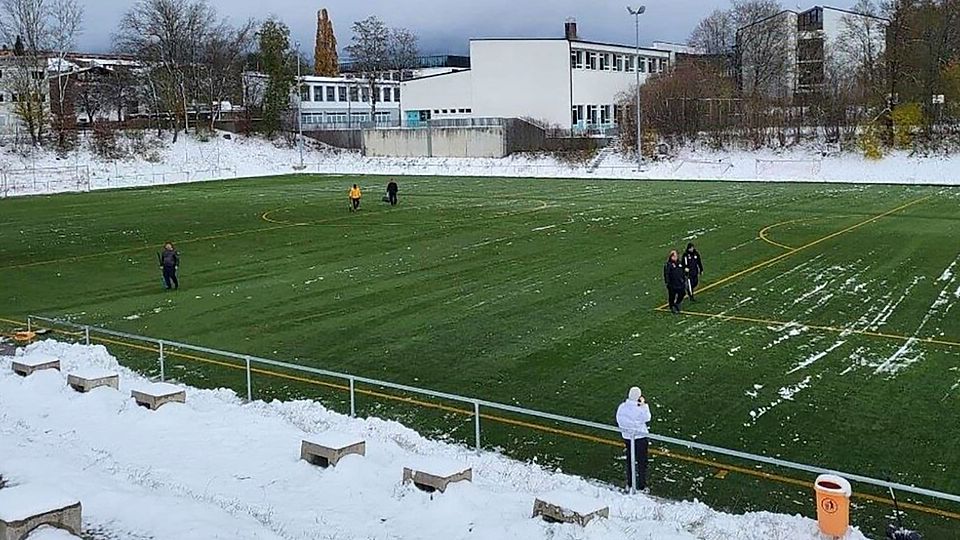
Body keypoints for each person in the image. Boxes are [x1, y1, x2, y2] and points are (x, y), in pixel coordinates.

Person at [616, 386, 652, 492]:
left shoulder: (622, 407)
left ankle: (630, 484)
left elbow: (620, 420)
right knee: (642, 462)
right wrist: (644, 405)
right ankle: (641, 485)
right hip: (640, 438)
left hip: (627, 437)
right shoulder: (640, 409)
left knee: (630, 460)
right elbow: (647, 417)